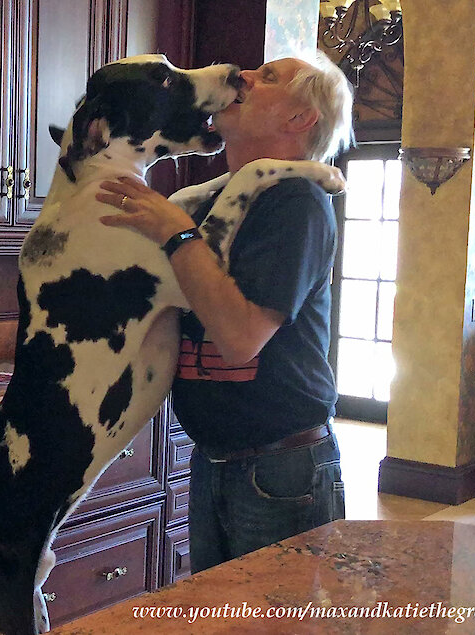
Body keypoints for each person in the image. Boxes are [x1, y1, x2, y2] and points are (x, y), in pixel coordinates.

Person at [95, 52, 354, 573]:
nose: (245, 75)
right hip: (216, 459)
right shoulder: (214, 201)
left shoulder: (295, 201)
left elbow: (240, 338)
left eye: (269, 77)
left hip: (282, 468)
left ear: (299, 119)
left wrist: (174, 231)